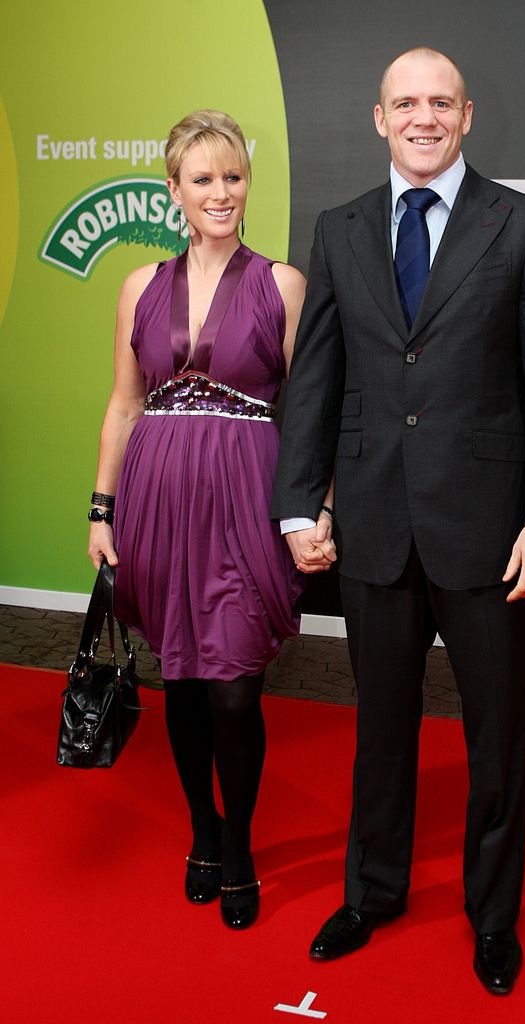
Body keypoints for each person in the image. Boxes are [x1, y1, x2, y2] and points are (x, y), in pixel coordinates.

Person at [272, 49, 525, 993]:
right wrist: (298, 502)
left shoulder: (521, 225)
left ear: (466, 115)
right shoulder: (340, 229)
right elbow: (315, 380)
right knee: (380, 724)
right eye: (403, 103)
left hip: (488, 529)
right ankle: (370, 891)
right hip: (369, 523)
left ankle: (492, 916)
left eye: (437, 103)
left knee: (496, 731)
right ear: (377, 118)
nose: (421, 117)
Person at [88, 109, 315, 930]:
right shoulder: (140, 287)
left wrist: (314, 505)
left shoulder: (281, 283)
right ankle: (204, 834)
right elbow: (122, 403)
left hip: (244, 495)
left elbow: (315, 406)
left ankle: (243, 843)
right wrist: (101, 509)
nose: (221, 193)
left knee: (234, 688)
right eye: (203, 179)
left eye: (232, 176)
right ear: (173, 190)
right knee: (181, 678)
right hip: (156, 499)